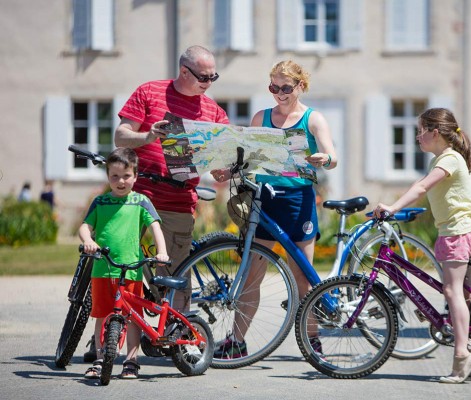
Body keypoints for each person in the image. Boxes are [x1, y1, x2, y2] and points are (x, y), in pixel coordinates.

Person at [212, 60, 337, 359]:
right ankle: (237, 341)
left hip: (298, 202)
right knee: (252, 274)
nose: (279, 93)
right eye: (273, 87)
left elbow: (333, 155)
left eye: (285, 88)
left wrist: (324, 158)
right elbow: (249, 158)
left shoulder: (312, 118)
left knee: (302, 278)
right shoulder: (261, 117)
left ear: (300, 86)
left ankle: (312, 341)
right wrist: (229, 172)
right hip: (265, 198)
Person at [114, 45, 229, 310]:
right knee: (118, 265)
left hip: (178, 200)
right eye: (203, 77)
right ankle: (109, 334)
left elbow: (221, 161)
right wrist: (148, 136)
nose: (209, 83)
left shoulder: (213, 112)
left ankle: (176, 338)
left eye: (213, 77)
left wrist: (224, 169)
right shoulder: (149, 92)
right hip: (137, 194)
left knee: (177, 274)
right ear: (183, 71)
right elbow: (120, 136)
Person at [374, 107, 471, 384]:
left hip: (456, 234)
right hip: (455, 232)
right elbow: (422, 186)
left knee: (452, 291)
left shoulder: (450, 159)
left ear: (435, 133)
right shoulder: (443, 159)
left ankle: (462, 356)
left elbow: (422, 188)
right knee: (466, 296)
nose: (417, 137)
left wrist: (394, 208)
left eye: (420, 131)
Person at [78, 148, 169, 380]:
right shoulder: (100, 202)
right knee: (102, 315)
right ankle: (99, 359)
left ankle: (131, 360)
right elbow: (85, 226)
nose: (120, 181)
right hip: (103, 269)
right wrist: (88, 240)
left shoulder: (141, 201)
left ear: (135, 176)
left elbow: (155, 226)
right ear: (108, 176)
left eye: (126, 176)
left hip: (131, 269)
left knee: (133, 317)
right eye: (114, 176)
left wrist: (162, 251)